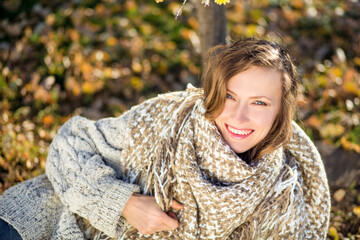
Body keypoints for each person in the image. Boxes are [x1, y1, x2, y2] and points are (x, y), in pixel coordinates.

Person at [0, 38, 330, 239]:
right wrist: (124, 203)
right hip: (55, 221)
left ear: (280, 113)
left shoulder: (283, 194)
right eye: (229, 96)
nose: (239, 117)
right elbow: (68, 146)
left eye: (259, 103)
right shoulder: (169, 121)